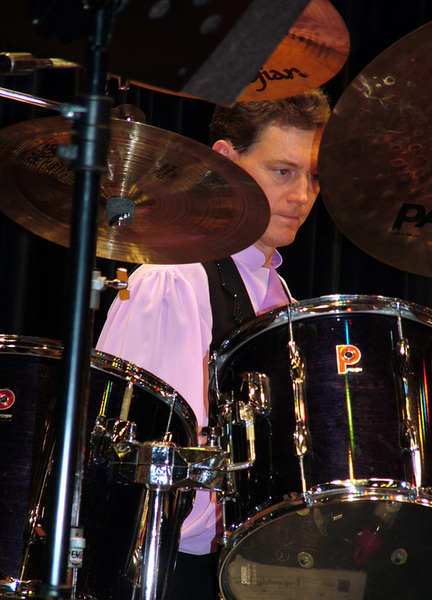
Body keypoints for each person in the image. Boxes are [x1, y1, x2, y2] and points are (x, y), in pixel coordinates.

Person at [96, 89, 330, 599]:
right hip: (175, 572)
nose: (302, 196)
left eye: (314, 177)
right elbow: (142, 470)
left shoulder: (276, 290)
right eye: (283, 171)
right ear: (226, 161)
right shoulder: (175, 279)